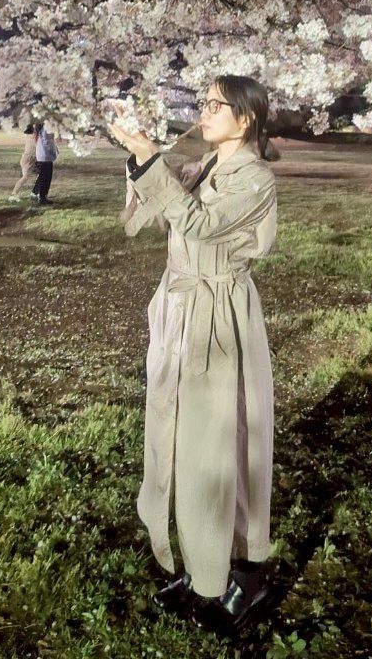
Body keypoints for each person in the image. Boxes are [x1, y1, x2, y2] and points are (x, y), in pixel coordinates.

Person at [108, 74, 279, 632]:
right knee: (177, 434)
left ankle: (239, 575)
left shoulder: (254, 178)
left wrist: (155, 164)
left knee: (219, 442)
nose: (204, 114)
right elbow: (157, 216)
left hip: (217, 316)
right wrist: (141, 160)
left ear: (246, 117)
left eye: (215, 106)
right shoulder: (206, 166)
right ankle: (196, 559)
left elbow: (200, 224)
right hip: (180, 310)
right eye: (203, 104)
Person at [9, 123, 38, 201]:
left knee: (39, 175)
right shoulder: (33, 136)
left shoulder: (29, 135)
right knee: (25, 177)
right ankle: (14, 194)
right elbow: (37, 144)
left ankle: (35, 192)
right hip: (28, 159)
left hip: (29, 158)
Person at [32, 121, 58, 204]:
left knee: (42, 176)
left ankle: (35, 192)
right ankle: (42, 196)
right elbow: (48, 142)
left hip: (41, 155)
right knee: (46, 177)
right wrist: (53, 152)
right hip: (46, 155)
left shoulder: (40, 130)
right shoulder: (46, 128)